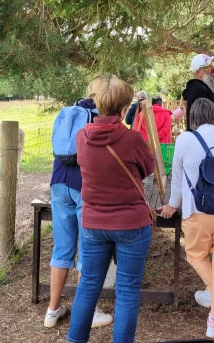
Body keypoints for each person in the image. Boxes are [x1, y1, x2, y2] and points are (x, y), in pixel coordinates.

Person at [67, 75, 155, 343]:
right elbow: (148, 168)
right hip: (131, 223)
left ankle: (74, 339)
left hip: (93, 222)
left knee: (88, 285)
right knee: (127, 291)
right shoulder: (132, 139)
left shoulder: (82, 137)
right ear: (124, 107)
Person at [159, 98, 214, 339]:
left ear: (192, 117)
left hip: (199, 211)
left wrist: (172, 204)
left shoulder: (185, 140)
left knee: (196, 255)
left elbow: (177, 177)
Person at [45, 81, 113, 329]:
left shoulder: (67, 112)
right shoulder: (99, 117)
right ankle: (89, 311)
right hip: (83, 185)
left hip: (58, 182)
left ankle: (52, 310)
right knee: (87, 248)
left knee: (62, 248)